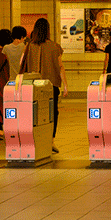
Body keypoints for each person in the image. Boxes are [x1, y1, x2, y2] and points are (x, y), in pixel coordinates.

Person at [18, 18, 67, 153]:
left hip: (32, 86)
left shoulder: (29, 46)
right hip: (51, 86)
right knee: (52, 113)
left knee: (34, 112)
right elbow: (60, 66)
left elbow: (21, 64)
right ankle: (50, 140)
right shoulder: (54, 46)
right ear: (48, 30)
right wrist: (66, 85)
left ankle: (35, 139)